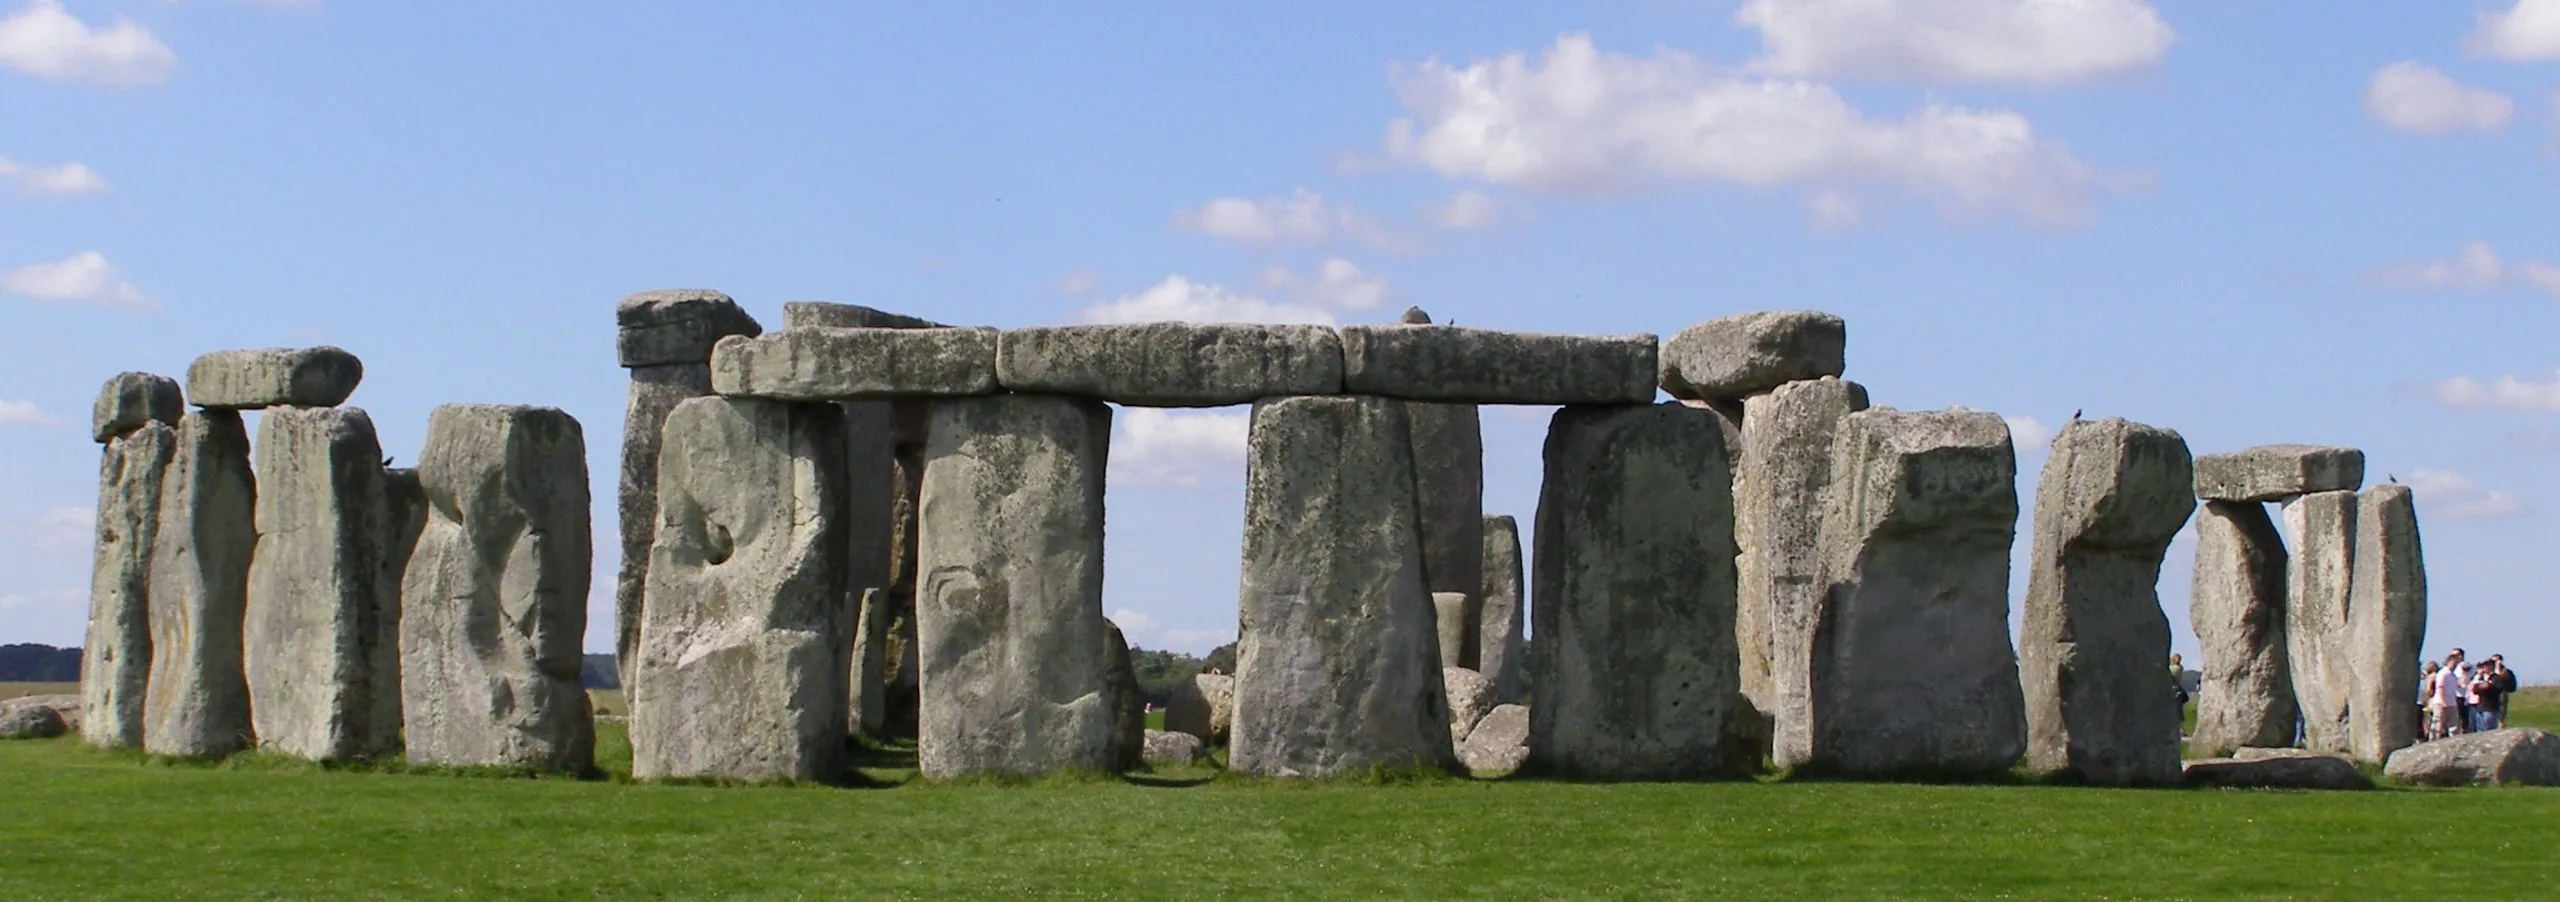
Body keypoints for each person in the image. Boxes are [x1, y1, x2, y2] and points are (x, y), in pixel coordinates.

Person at [2434, 648, 2474, 737]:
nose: (2455, 664)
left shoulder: (2452, 674)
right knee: (2439, 725)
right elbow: (2440, 688)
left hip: (2452, 702)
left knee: (2454, 727)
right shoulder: (2443, 673)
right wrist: (2443, 702)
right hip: (2442, 703)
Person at [2421, 660, 2446, 740]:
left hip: (2432, 698)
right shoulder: (2437, 675)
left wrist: (2428, 696)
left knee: (2433, 717)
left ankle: (2432, 735)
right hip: (2437, 697)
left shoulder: (2431, 676)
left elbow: (2428, 689)